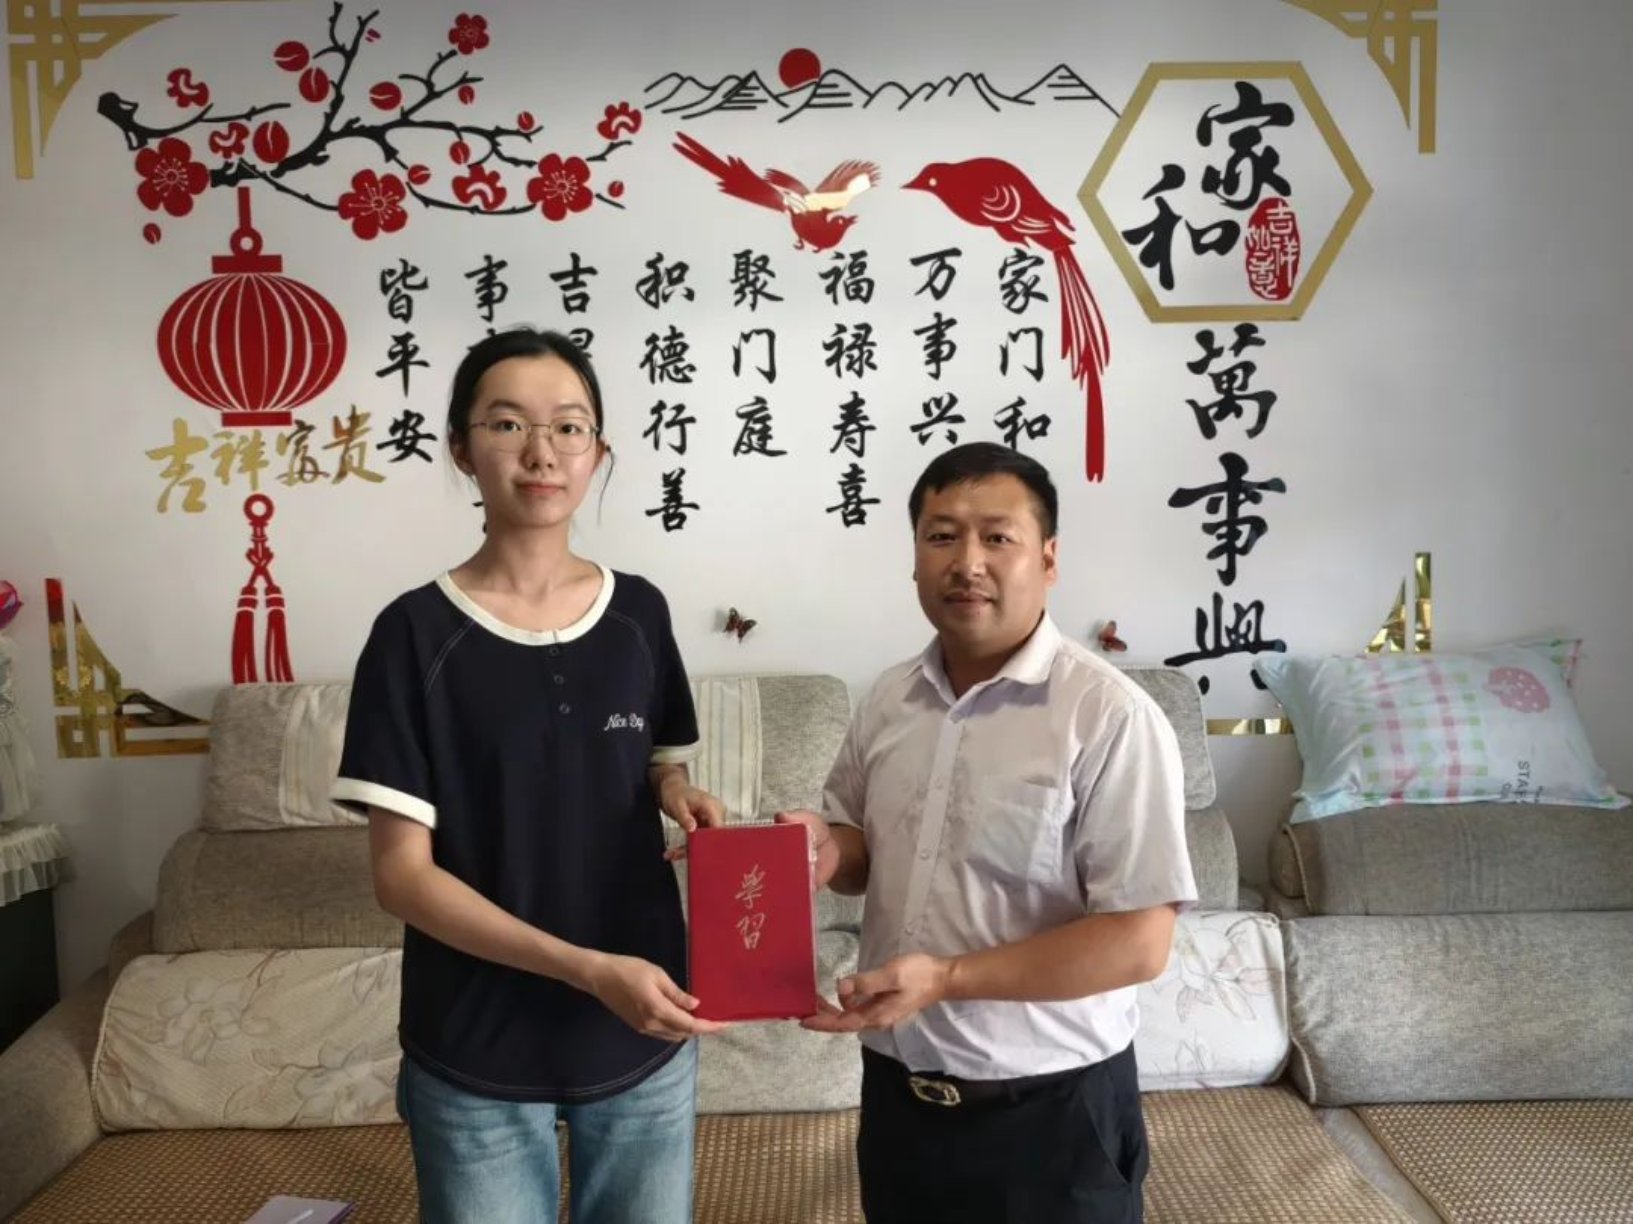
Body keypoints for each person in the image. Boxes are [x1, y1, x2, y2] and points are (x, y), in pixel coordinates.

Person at [331, 327, 726, 1224]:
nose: (542, 453)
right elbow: (401, 878)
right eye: (508, 424)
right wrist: (586, 969)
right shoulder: (412, 635)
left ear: (598, 454)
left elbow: (655, 754)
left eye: (569, 427)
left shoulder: (638, 613)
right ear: (461, 449)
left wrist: (675, 793)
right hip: (476, 1040)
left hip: (645, 1022)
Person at [781, 441, 1197, 1224]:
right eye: (941, 536)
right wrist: (828, 848)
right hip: (899, 1101)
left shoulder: (1107, 716)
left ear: (1047, 558)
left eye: (996, 537)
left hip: (1052, 1117)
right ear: (914, 558)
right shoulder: (888, 699)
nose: (965, 562)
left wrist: (946, 978)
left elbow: (1139, 942)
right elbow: (859, 853)